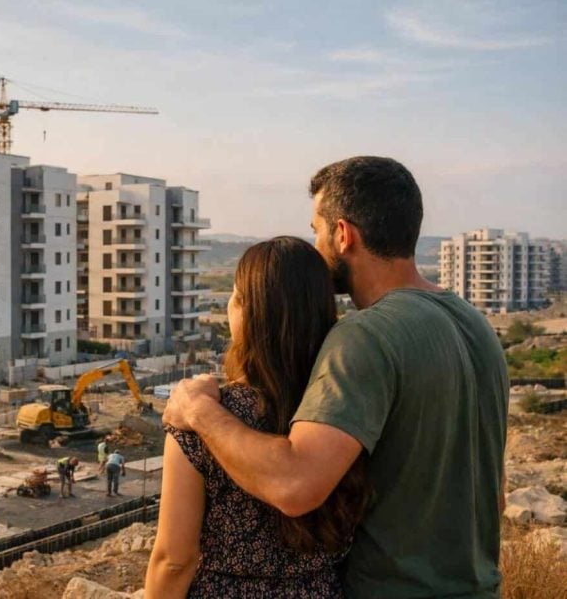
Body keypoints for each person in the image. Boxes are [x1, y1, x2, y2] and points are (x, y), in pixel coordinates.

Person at [163, 156, 509, 598]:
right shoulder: (473, 324)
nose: (316, 244)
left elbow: (294, 485)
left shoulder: (365, 336)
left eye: (316, 230)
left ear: (343, 234)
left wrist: (199, 412)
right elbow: (494, 496)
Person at [146, 238, 370, 598]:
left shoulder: (198, 420)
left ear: (248, 312)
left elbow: (174, 560)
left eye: (236, 296)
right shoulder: (340, 414)